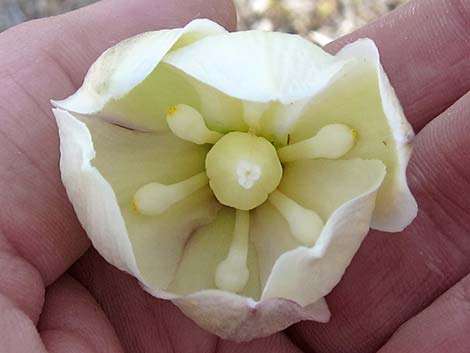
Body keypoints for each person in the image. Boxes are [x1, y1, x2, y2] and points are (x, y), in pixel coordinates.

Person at [1, 0, 469, 352]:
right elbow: (94, 102)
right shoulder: (95, 126)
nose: (247, 172)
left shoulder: (362, 101)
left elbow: (253, 308)